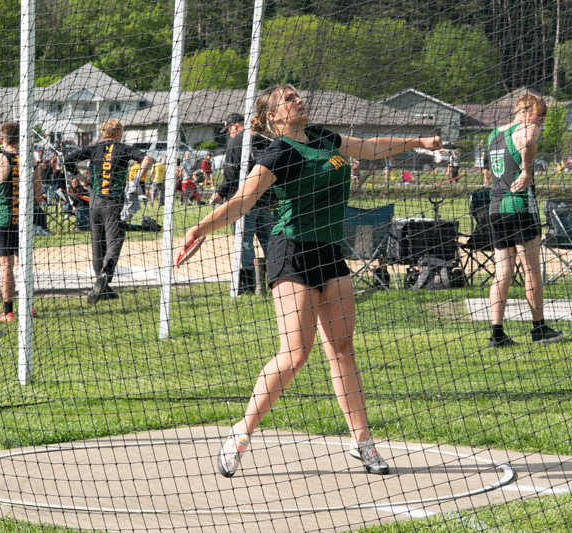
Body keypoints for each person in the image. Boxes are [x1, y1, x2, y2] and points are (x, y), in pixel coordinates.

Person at [179, 84, 443, 478]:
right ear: (273, 117)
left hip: (329, 253)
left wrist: (418, 139)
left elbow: (368, 148)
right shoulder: (279, 152)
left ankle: (363, 443)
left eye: (298, 95)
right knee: (295, 354)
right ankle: (240, 434)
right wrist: (199, 229)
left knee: (342, 349)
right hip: (291, 252)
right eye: (288, 99)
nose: (298, 100)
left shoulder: (323, 137)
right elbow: (243, 200)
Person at [487, 94, 562, 348]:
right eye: (540, 117)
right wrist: (528, 170)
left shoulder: (494, 134)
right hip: (519, 205)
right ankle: (539, 328)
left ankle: (496, 333)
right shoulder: (526, 128)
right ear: (527, 112)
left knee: (502, 272)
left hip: (495, 206)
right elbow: (529, 136)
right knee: (531, 270)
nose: (541, 123)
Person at [64, 118, 153, 304]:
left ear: (103, 132)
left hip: (95, 202)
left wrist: (82, 179)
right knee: (115, 241)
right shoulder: (123, 148)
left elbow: (68, 160)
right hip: (114, 202)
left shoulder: (94, 149)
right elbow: (147, 159)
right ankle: (104, 277)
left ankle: (102, 288)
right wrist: (136, 179)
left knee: (98, 243)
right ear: (118, 132)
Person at [0, 121, 45, 322]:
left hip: (3, 218)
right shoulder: (31, 160)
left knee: (5, 264)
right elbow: (38, 197)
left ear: (1, 139)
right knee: (23, 263)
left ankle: (7, 311)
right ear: (20, 139)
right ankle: (29, 306)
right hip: (24, 219)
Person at [209, 112, 274, 293]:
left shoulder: (236, 140)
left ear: (235, 126)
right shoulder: (264, 139)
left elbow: (230, 173)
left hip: (243, 200)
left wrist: (221, 193)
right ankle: (279, 280)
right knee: (270, 242)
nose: (229, 133)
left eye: (229, 129)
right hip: (265, 199)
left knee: (244, 244)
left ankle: (250, 287)